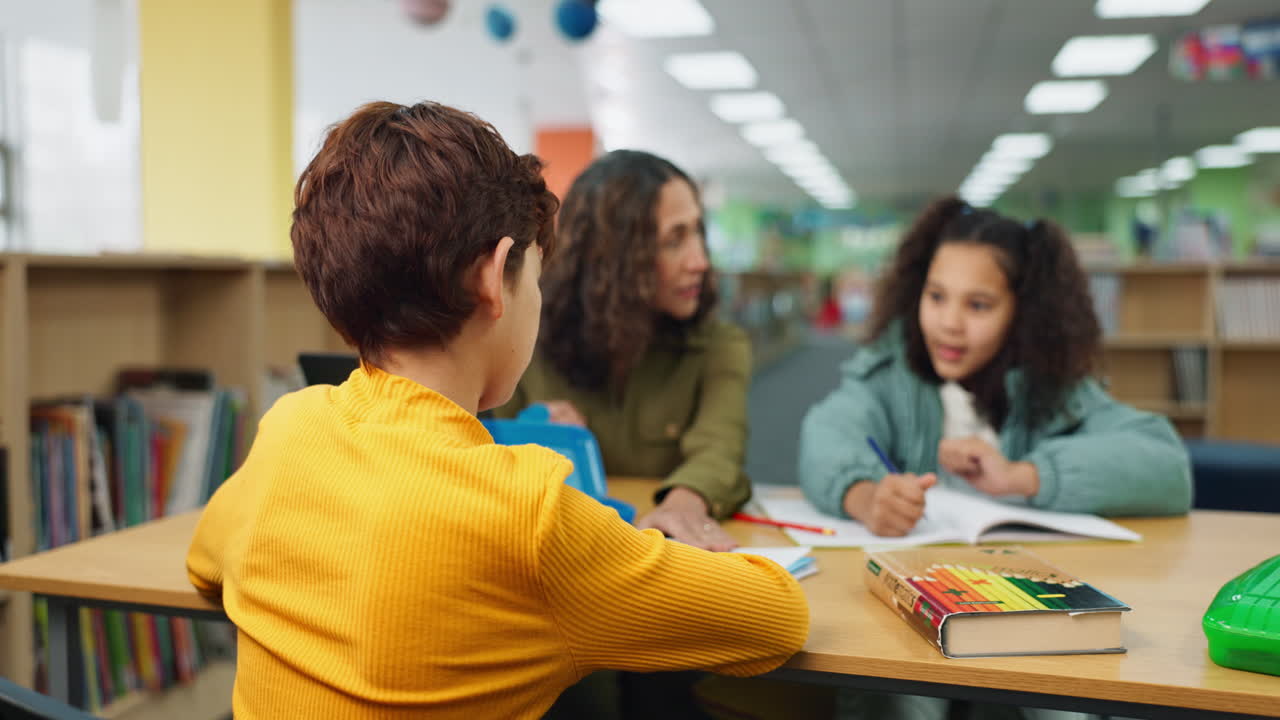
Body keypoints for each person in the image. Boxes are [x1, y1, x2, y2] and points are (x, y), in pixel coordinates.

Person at [185, 101, 809, 720]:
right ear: (493, 278)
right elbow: (779, 617)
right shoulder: (530, 518)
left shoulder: (290, 429)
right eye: (534, 276)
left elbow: (206, 563)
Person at [799, 195, 1190, 720]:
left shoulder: (1053, 384)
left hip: (1028, 604)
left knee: (1069, 704)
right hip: (915, 600)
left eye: (978, 305)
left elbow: (1164, 463)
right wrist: (865, 494)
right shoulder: (892, 369)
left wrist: (1025, 475)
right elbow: (825, 431)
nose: (949, 324)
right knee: (900, 695)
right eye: (937, 297)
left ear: (1022, 312)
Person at [494, 150, 751, 553]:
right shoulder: (529, 338)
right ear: (613, 256)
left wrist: (685, 506)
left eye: (698, 232)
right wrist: (537, 431)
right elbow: (487, 456)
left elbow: (720, 449)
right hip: (558, 547)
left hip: (659, 548)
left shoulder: (719, 345)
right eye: (674, 240)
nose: (700, 261)